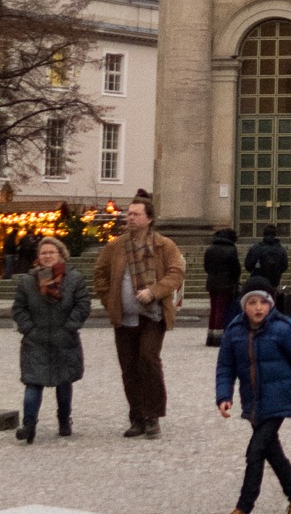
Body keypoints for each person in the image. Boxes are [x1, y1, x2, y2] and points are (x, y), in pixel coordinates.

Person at [215, 276, 291, 514]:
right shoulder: (234, 331)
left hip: (279, 398)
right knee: (273, 453)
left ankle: (242, 510)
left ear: (271, 304)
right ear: (243, 305)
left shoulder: (282, 328)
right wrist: (224, 395)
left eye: (263, 302)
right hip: (253, 402)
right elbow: (225, 366)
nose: (258, 307)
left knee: (255, 451)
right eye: (252, 302)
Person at [92, 189, 185, 438]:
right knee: (129, 366)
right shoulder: (116, 247)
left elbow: (176, 273)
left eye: (136, 214)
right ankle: (137, 417)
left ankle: (153, 416)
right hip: (124, 317)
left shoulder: (165, 245)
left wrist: (154, 291)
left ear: (149, 218)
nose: (130, 218)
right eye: (129, 214)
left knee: (148, 359)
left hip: (153, 315)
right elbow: (99, 274)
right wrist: (110, 300)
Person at [11, 236, 91, 441]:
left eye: (51, 252)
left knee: (63, 382)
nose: (47, 256)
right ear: (38, 257)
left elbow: (82, 305)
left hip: (64, 339)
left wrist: (69, 328)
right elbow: (19, 308)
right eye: (43, 253)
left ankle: (64, 421)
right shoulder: (28, 282)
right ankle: (29, 425)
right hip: (36, 340)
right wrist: (29, 329)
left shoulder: (74, 279)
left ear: (61, 254)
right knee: (33, 382)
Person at [204, 228, 241, 348]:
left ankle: (211, 336)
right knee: (222, 310)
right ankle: (219, 338)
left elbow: (206, 267)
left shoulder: (210, 249)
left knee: (214, 309)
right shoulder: (231, 249)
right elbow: (236, 268)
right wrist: (235, 281)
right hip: (226, 284)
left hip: (212, 283)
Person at [243, 224, 289, 291]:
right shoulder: (281, 249)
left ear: (264, 234)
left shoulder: (256, 248)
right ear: (275, 234)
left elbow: (248, 266)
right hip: (274, 282)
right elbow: (284, 267)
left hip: (257, 282)